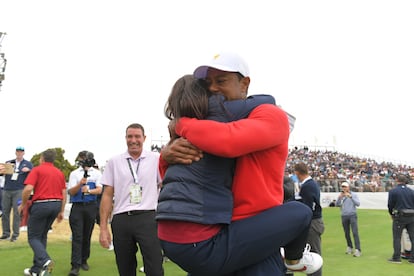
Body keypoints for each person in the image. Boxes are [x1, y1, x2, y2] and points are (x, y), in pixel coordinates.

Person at [158, 53, 322, 275]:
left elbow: (230, 140)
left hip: (255, 233)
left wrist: (181, 123)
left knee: (298, 213)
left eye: (221, 81)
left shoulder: (268, 114)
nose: (213, 89)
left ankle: (294, 258)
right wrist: (167, 155)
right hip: (215, 231)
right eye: (208, 84)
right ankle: (295, 259)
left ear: (245, 83)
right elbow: (177, 174)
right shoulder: (207, 124)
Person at [99, 123, 164, 276]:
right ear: (125, 138)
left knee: (155, 267)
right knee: (125, 269)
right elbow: (107, 195)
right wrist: (103, 228)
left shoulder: (156, 159)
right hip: (122, 219)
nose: (133, 140)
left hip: (148, 218)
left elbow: (165, 186)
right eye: (130, 136)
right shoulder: (114, 162)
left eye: (137, 136)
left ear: (144, 138)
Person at [18, 148, 67, 276]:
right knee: (42, 236)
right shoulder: (59, 172)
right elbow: (63, 193)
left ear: (42, 158)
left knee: (33, 237)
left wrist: (23, 204)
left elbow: (28, 189)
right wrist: (62, 210)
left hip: (41, 204)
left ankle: (45, 260)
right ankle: (36, 269)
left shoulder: (37, 170)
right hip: (56, 204)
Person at [67, 151, 102, 276]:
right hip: (77, 207)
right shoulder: (74, 174)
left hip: (91, 207)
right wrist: (79, 184)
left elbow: (99, 190)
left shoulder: (97, 173)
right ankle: (75, 265)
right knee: (77, 236)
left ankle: (84, 260)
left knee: (87, 235)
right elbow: (71, 191)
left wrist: (89, 190)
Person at [294, 162, 325, 276]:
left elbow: (309, 208)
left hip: (313, 223)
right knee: (313, 254)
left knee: (313, 256)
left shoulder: (308, 186)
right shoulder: (311, 184)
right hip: (315, 221)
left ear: (297, 172)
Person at [0, 146, 33, 242]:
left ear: (23, 153)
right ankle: (6, 233)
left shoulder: (28, 164)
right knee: (5, 212)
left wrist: (29, 170)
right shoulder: (9, 162)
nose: (19, 153)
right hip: (7, 189)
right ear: (15, 153)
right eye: (18, 152)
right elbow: (2, 174)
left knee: (16, 212)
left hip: (19, 190)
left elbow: (33, 174)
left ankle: (15, 234)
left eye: (21, 152)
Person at [387, 174, 414, 264]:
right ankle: (412, 258)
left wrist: (391, 213)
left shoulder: (393, 191)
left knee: (397, 237)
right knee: (412, 237)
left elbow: (390, 205)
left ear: (397, 180)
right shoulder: (411, 191)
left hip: (400, 216)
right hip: (411, 216)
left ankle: (396, 257)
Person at [335, 181, 361, 257]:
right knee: (346, 233)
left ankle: (358, 249)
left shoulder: (353, 194)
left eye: (345, 187)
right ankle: (349, 246)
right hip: (344, 215)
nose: (344, 188)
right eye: (343, 187)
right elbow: (337, 205)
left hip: (352, 215)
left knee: (355, 232)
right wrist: (339, 198)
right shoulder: (341, 195)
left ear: (348, 187)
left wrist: (350, 196)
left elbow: (358, 203)